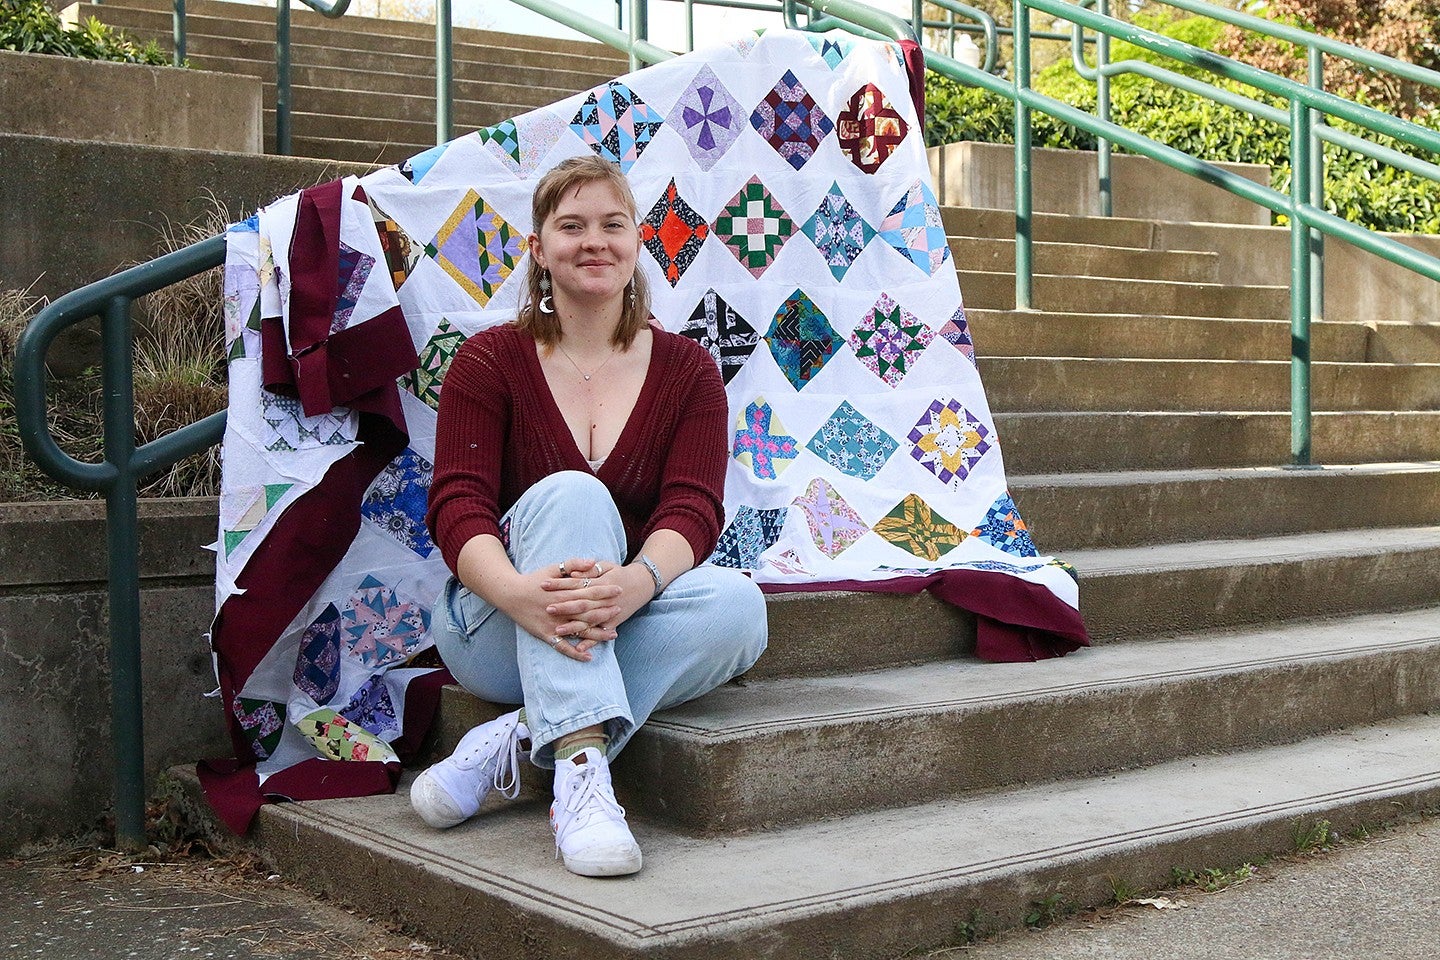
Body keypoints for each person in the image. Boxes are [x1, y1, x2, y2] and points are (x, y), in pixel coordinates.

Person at [412, 155, 769, 877]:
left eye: (612, 224)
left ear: (638, 242)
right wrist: (519, 595)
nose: (593, 242)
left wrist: (638, 583)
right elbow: (456, 507)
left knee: (741, 607)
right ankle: (581, 780)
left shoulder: (690, 370)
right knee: (573, 491)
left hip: (611, 617)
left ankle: (519, 738)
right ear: (539, 250)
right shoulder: (487, 361)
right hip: (496, 626)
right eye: (570, 226)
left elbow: (695, 506)